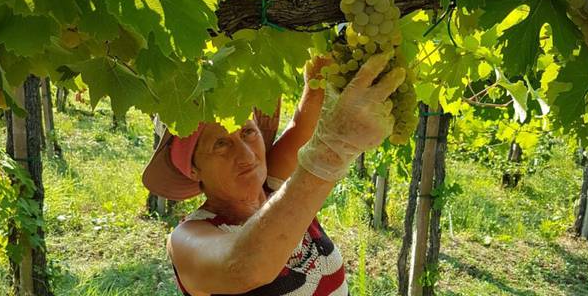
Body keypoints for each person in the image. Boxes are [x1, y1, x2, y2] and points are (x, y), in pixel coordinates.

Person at [142, 51, 405, 295]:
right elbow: (242, 267)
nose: (246, 155)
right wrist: (332, 150)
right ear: (192, 168)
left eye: (248, 132)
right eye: (221, 144)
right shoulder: (187, 239)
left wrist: (324, 65)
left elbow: (307, 112)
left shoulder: (273, 188)